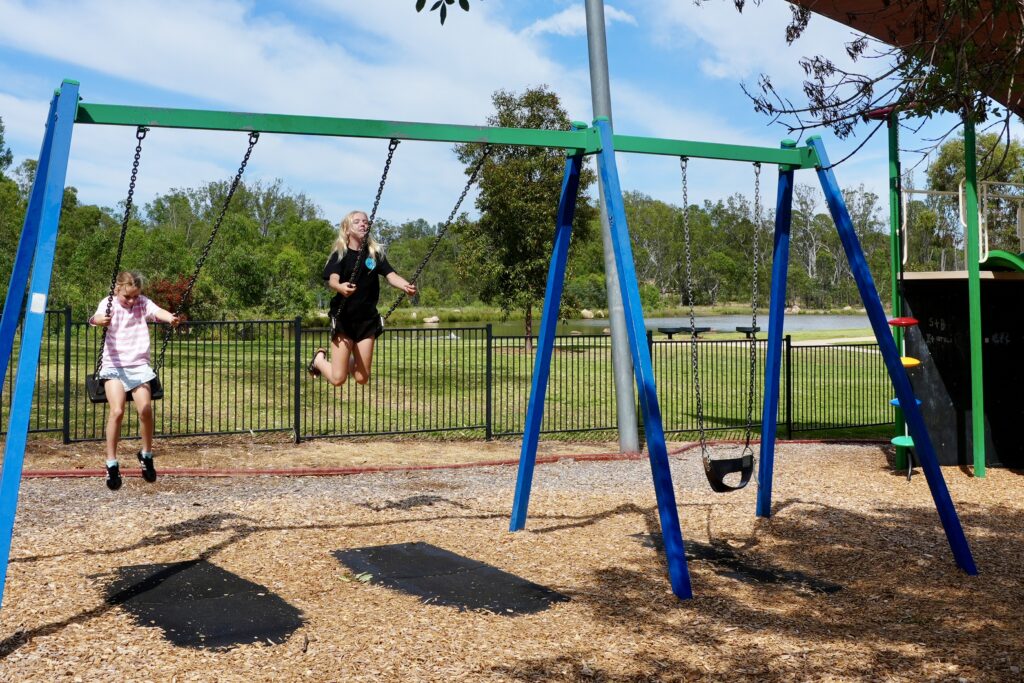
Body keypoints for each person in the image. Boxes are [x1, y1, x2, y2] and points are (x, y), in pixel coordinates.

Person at [89, 271, 180, 490]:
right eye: (126, 297)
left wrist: (170, 318)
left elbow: (157, 311)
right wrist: (99, 320)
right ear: (117, 290)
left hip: (138, 366)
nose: (131, 301)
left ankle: (146, 455)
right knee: (117, 411)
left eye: (134, 296)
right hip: (113, 366)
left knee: (145, 409)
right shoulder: (108, 302)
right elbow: (95, 318)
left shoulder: (142, 303)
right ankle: (111, 463)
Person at [308, 210, 416, 386]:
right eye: (357, 222)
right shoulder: (340, 254)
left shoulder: (374, 254)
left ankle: (341, 363)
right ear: (347, 229)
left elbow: (391, 275)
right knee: (338, 379)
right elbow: (333, 280)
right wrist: (340, 287)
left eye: (365, 222)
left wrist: (405, 285)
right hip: (344, 319)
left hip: (366, 320)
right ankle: (319, 361)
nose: (363, 224)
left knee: (362, 378)